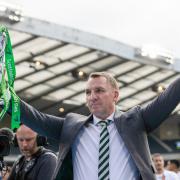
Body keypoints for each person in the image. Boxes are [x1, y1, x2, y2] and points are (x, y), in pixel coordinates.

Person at [5, 71, 180, 180]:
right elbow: (37, 119)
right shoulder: (71, 126)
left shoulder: (135, 121)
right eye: (88, 92)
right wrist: (6, 95)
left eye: (99, 91)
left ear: (115, 95)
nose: (92, 96)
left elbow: (168, 98)